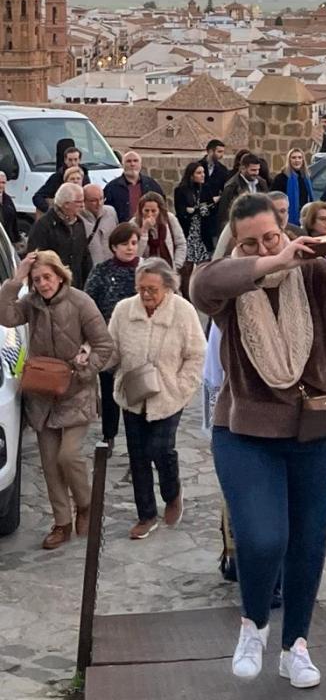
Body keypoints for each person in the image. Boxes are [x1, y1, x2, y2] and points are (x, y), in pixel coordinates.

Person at [191, 192, 326, 687]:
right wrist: (268, 260)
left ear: (285, 227)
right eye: (249, 242)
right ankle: (253, 623)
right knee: (262, 536)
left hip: (319, 431)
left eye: (272, 237)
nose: (263, 246)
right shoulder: (229, 283)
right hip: (245, 432)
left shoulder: (315, 273)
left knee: (307, 541)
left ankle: (294, 645)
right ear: (236, 245)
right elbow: (200, 286)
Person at [0, 248, 115, 549]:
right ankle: (61, 522)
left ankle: (87, 504)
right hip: (42, 395)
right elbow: (5, 315)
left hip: (75, 392)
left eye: (47, 277)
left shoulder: (81, 302)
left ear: (59, 275)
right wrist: (17, 278)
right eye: (37, 280)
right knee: (50, 464)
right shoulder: (31, 303)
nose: (43, 284)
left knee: (69, 455)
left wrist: (85, 371)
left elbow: (104, 345)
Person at [109, 257, 206, 539]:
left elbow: (197, 354)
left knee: (160, 449)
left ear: (168, 287)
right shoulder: (124, 310)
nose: (146, 295)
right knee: (138, 457)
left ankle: (172, 492)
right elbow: (112, 350)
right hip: (133, 394)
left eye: (152, 289)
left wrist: (181, 385)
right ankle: (147, 514)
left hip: (168, 395)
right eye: (141, 289)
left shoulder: (183, 311)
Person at [84, 223, 142, 449]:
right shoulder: (102, 270)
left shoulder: (145, 270)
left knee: (136, 390)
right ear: (114, 246)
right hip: (109, 341)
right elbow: (89, 303)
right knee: (109, 390)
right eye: (124, 244)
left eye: (134, 243)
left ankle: (136, 440)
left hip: (137, 341)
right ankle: (109, 435)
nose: (129, 248)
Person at [27, 183, 91, 289]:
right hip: (52, 287)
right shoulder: (44, 226)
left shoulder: (79, 223)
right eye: (78, 202)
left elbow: (85, 256)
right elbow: (36, 259)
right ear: (66, 204)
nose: (83, 205)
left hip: (76, 287)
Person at [174, 160, 213, 294]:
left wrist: (195, 210)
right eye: (199, 173)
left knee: (206, 267)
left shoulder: (205, 189)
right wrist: (196, 210)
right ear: (191, 175)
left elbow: (209, 209)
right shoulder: (181, 191)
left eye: (203, 172)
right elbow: (182, 212)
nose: (202, 175)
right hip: (189, 233)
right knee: (187, 269)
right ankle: (186, 298)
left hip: (202, 234)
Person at [103, 151, 165, 223]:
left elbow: (162, 207)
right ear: (123, 165)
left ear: (140, 164)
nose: (132, 164)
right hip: (123, 229)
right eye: (128, 161)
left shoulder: (152, 185)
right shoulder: (112, 187)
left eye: (135, 161)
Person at [133, 192, 187, 272]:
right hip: (145, 270)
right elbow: (135, 254)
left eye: (153, 211)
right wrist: (144, 231)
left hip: (168, 268)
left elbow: (181, 243)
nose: (149, 214)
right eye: (146, 211)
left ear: (160, 210)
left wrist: (176, 265)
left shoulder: (170, 219)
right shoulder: (134, 224)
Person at [33, 142, 91, 211]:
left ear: (79, 160)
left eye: (75, 159)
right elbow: (37, 197)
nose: (73, 163)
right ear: (65, 160)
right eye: (70, 160)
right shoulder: (56, 178)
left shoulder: (85, 178)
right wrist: (49, 211)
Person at [217, 152, 268, 229]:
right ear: (242, 168)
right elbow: (224, 214)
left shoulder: (262, 183)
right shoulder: (231, 187)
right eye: (253, 170)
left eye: (258, 170)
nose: (256, 173)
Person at [271, 148, 314, 229]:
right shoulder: (281, 178)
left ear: (303, 160)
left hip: (305, 218)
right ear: (289, 160)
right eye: (293, 158)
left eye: (299, 157)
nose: (297, 160)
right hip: (288, 220)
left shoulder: (306, 178)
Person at [82, 184, 119, 266]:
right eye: (93, 201)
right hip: (91, 269)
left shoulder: (111, 212)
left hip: (111, 266)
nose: (99, 204)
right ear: (84, 201)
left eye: (101, 199)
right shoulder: (78, 219)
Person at [0, 169, 19, 248]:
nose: (1, 185)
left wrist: (16, 239)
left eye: (3, 183)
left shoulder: (8, 199)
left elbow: (14, 221)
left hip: (8, 242)